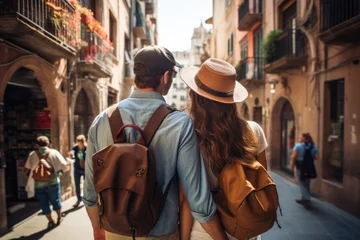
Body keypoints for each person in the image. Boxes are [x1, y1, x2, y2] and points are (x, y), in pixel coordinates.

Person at [84, 46, 228, 240]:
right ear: (166, 76)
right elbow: (198, 200)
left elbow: (90, 192)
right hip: (160, 234)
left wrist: (97, 230)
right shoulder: (180, 123)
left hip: (115, 232)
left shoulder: (101, 120)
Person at [178, 58, 268, 240]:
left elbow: (186, 198)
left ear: (195, 96)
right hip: (246, 230)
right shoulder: (254, 131)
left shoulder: (189, 136)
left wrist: (184, 237)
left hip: (203, 231)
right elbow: (262, 183)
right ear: (231, 99)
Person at [24, 136, 68, 228]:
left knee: (44, 203)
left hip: (38, 184)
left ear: (37, 145)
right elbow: (65, 165)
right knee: (56, 201)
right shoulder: (54, 152)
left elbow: (26, 169)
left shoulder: (32, 154)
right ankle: (59, 217)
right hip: (53, 182)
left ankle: (50, 221)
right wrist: (60, 173)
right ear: (48, 143)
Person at [291, 132, 319, 206]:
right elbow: (316, 157)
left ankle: (306, 199)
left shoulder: (298, 146)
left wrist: (292, 166)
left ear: (305, 138)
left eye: (301, 137)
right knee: (307, 182)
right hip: (309, 167)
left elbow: (293, 157)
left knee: (301, 182)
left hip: (300, 166)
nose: (300, 138)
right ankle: (304, 198)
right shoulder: (314, 147)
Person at [68, 135, 87, 208]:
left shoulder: (86, 148)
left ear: (83, 142)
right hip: (77, 168)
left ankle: (86, 198)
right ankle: (79, 199)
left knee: (86, 184)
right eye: (78, 142)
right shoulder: (75, 148)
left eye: (80, 143)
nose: (79, 144)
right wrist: (71, 154)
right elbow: (72, 152)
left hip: (85, 169)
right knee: (77, 184)